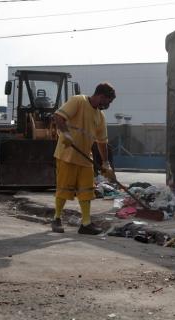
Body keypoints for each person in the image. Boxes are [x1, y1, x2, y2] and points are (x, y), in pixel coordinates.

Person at [51, 83, 116, 234]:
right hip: (67, 154)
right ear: (101, 96)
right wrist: (66, 134)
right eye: (108, 101)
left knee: (87, 190)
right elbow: (58, 116)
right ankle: (57, 218)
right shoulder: (78, 101)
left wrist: (106, 163)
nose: (108, 105)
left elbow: (102, 142)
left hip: (86, 157)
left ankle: (85, 223)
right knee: (64, 188)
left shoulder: (100, 116)